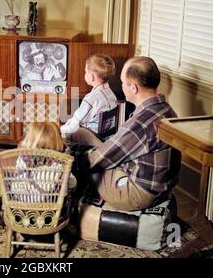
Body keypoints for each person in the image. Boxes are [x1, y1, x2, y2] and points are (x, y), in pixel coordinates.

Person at [81, 56, 181, 211]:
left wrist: (69, 158)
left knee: (86, 171)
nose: (121, 87)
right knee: (83, 135)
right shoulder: (165, 108)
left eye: (122, 83)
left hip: (138, 194)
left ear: (134, 88)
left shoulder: (141, 122)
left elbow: (100, 160)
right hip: (162, 188)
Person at [60, 54, 117, 140]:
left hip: (90, 138)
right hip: (104, 138)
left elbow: (74, 125)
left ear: (92, 76)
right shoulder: (110, 93)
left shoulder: (91, 99)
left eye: (86, 72)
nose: (85, 74)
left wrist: (58, 130)